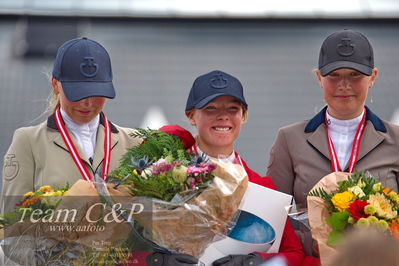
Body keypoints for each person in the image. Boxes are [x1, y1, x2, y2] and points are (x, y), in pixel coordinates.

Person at [148, 70, 305, 266]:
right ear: (191, 116)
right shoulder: (160, 173)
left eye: (233, 109)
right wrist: (157, 260)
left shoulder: (261, 188)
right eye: (211, 108)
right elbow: (122, 245)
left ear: (244, 116)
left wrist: (253, 261)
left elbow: (294, 254)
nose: (223, 117)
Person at [266, 29, 399, 257]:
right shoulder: (289, 138)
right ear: (319, 77)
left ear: (373, 77)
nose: (344, 84)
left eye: (355, 75)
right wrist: (313, 242)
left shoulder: (397, 140)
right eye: (334, 75)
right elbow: (272, 217)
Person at [1, 37, 140, 210]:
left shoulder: (135, 142)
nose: (87, 103)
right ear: (55, 85)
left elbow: (149, 221)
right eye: (78, 94)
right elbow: (12, 222)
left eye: (97, 93)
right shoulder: (28, 142)